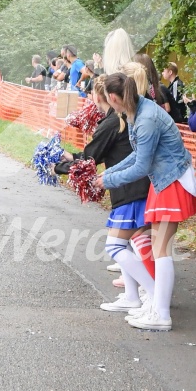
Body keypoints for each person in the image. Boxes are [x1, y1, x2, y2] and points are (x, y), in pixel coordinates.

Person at [95, 72, 196, 331]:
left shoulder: (146, 118)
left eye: (108, 99)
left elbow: (141, 165)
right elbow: (139, 156)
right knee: (158, 248)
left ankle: (160, 313)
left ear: (114, 98)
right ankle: (156, 307)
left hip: (171, 181)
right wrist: (110, 173)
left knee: (161, 250)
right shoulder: (137, 111)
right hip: (165, 179)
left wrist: (109, 180)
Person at [54, 75, 155, 312]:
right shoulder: (116, 118)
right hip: (130, 188)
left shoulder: (111, 122)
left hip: (131, 189)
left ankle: (153, 293)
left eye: (91, 96)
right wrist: (68, 158)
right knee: (126, 244)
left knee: (115, 245)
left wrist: (57, 167)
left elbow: (90, 160)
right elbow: (91, 155)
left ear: (101, 97)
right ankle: (133, 296)